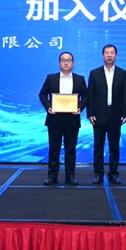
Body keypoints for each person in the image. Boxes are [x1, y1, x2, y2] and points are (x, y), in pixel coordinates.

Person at [39, 52, 88, 186]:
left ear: (73, 63)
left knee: (70, 149)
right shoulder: (51, 78)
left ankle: (70, 176)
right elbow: (42, 94)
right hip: (54, 118)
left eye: (69, 60)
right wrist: (48, 107)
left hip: (72, 118)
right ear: (59, 63)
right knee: (54, 149)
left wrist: (80, 107)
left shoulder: (79, 79)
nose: (66, 62)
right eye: (63, 60)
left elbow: (86, 96)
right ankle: (52, 176)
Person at [87, 44, 126, 185]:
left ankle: (113, 174)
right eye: (107, 52)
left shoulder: (123, 73)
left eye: (112, 53)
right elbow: (90, 95)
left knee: (114, 146)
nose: (109, 55)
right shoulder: (94, 73)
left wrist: (125, 113)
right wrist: (90, 113)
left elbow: (125, 95)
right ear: (102, 55)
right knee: (98, 146)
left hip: (116, 115)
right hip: (98, 115)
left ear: (116, 55)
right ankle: (98, 174)